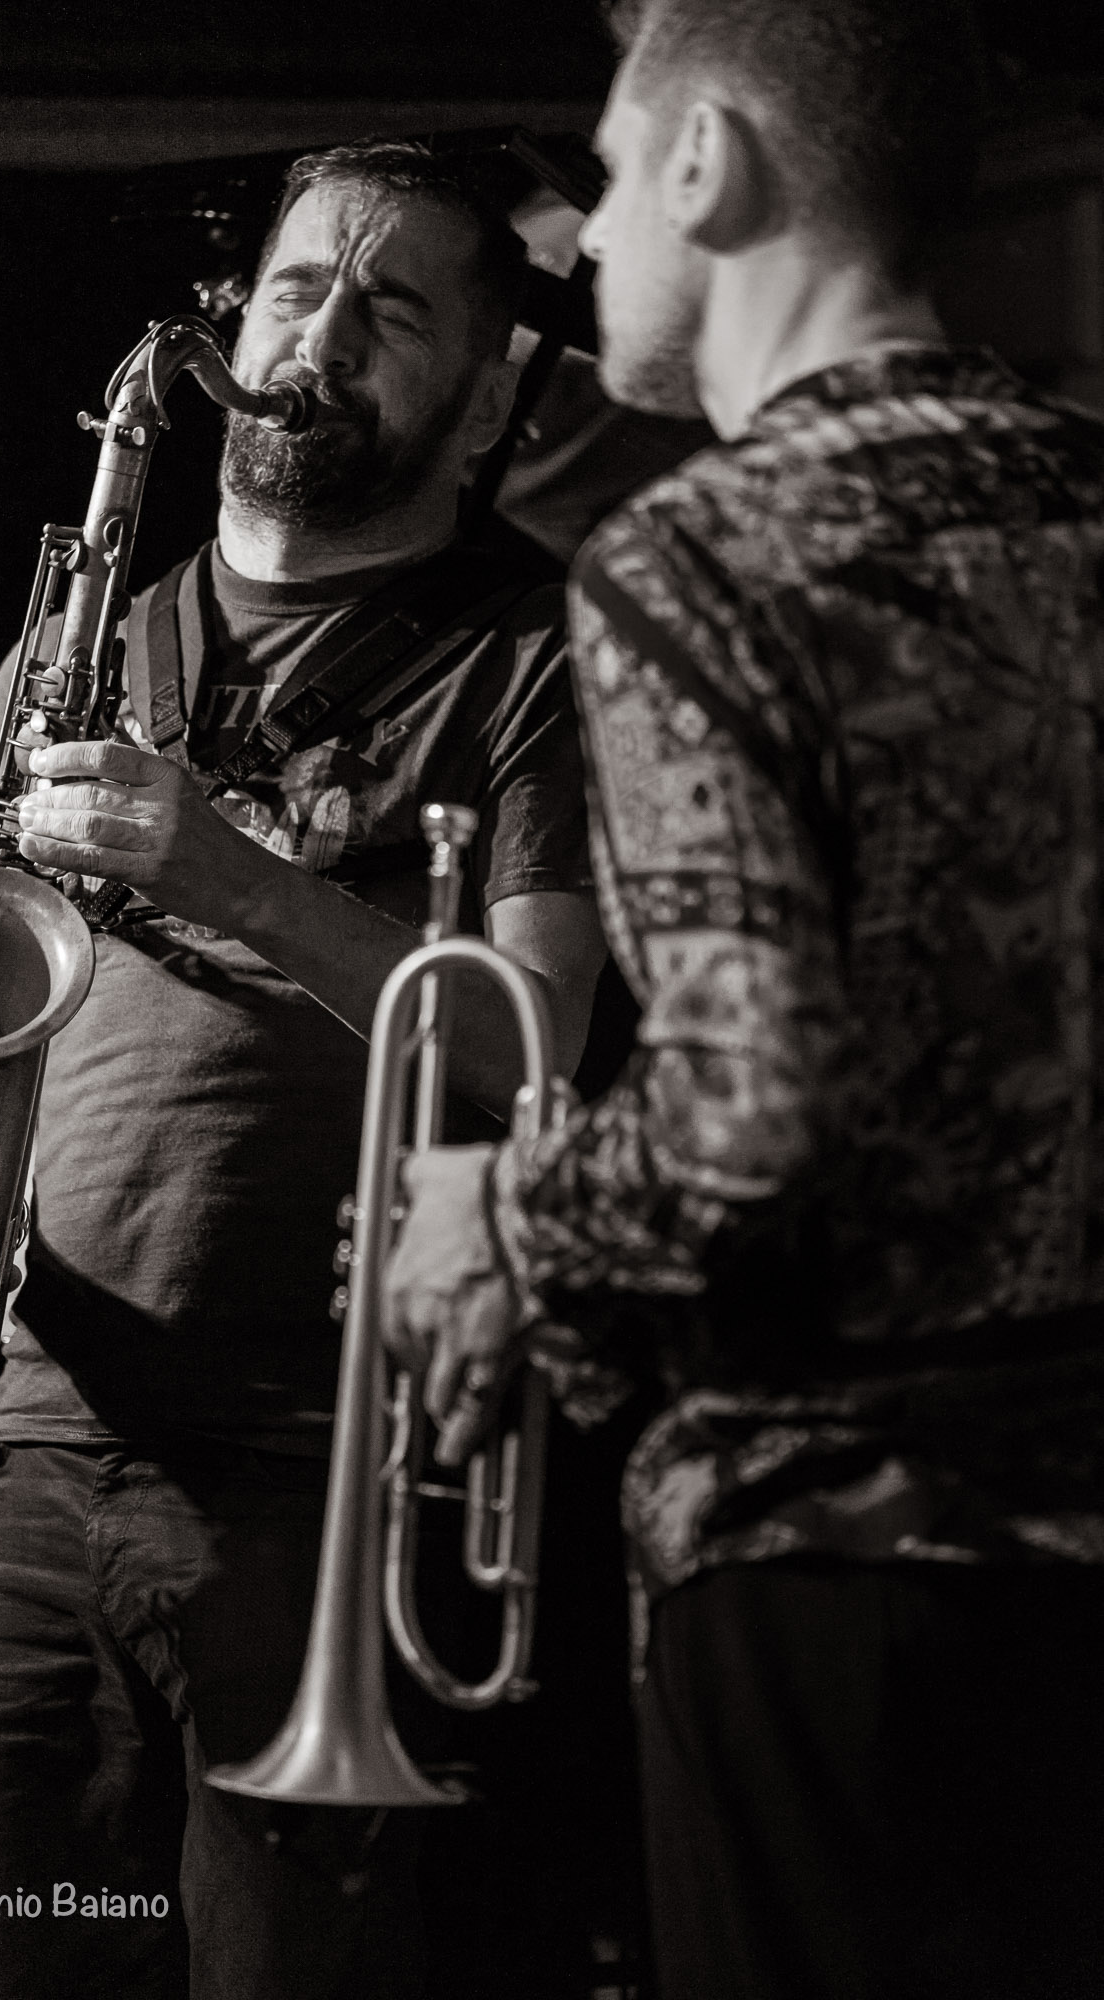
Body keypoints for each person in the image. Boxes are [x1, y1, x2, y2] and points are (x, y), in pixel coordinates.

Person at [384, 6, 1104, 1997]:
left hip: (827, 1588)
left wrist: (494, 1220)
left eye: (612, 179)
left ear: (706, 165)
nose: (591, 237)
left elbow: (741, 1119)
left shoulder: (698, 559)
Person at [0, 140, 606, 2000]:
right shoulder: (82, 639)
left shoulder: (538, 659)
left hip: (327, 1474)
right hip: (40, 1437)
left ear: (480, 408)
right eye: (298, 290)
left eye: (392, 314)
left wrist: (227, 875)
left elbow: (537, 1050)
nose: (319, 341)